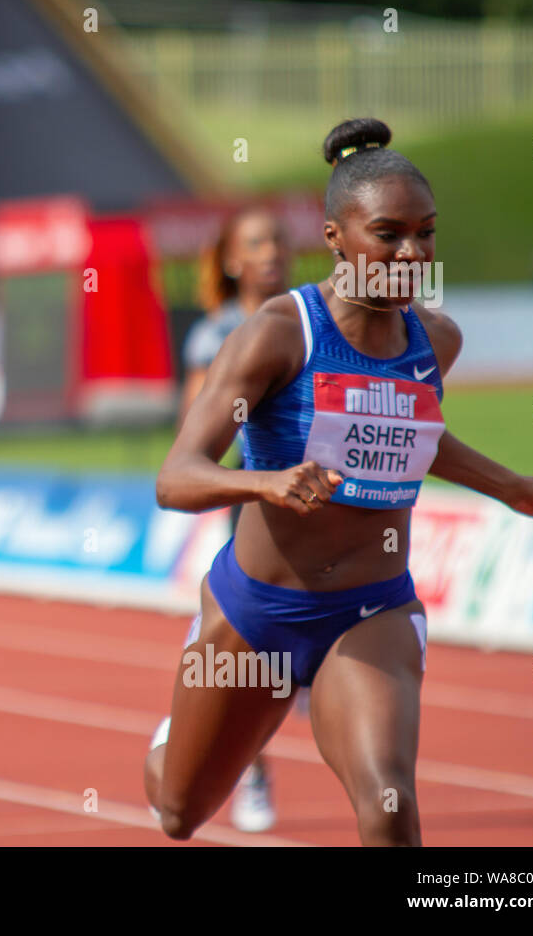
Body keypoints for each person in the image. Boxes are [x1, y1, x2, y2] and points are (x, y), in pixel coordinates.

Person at [142, 117, 533, 845]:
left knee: (387, 807)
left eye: (426, 232)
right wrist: (267, 483)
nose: (412, 253)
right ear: (335, 237)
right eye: (389, 233)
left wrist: (511, 486)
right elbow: (175, 477)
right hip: (259, 614)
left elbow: (411, 437)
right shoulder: (279, 335)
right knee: (181, 813)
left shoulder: (435, 339)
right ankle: (173, 735)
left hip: (371, 611)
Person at [160, 206, 291, 833]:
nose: (272, 253)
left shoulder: (312, 321)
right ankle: (254, 772)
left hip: (317, 512)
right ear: (235, 261)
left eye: (278, 242)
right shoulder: (214, 336)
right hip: (251, 506)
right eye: (258, 243)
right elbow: (193, 435)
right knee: (254, 659)